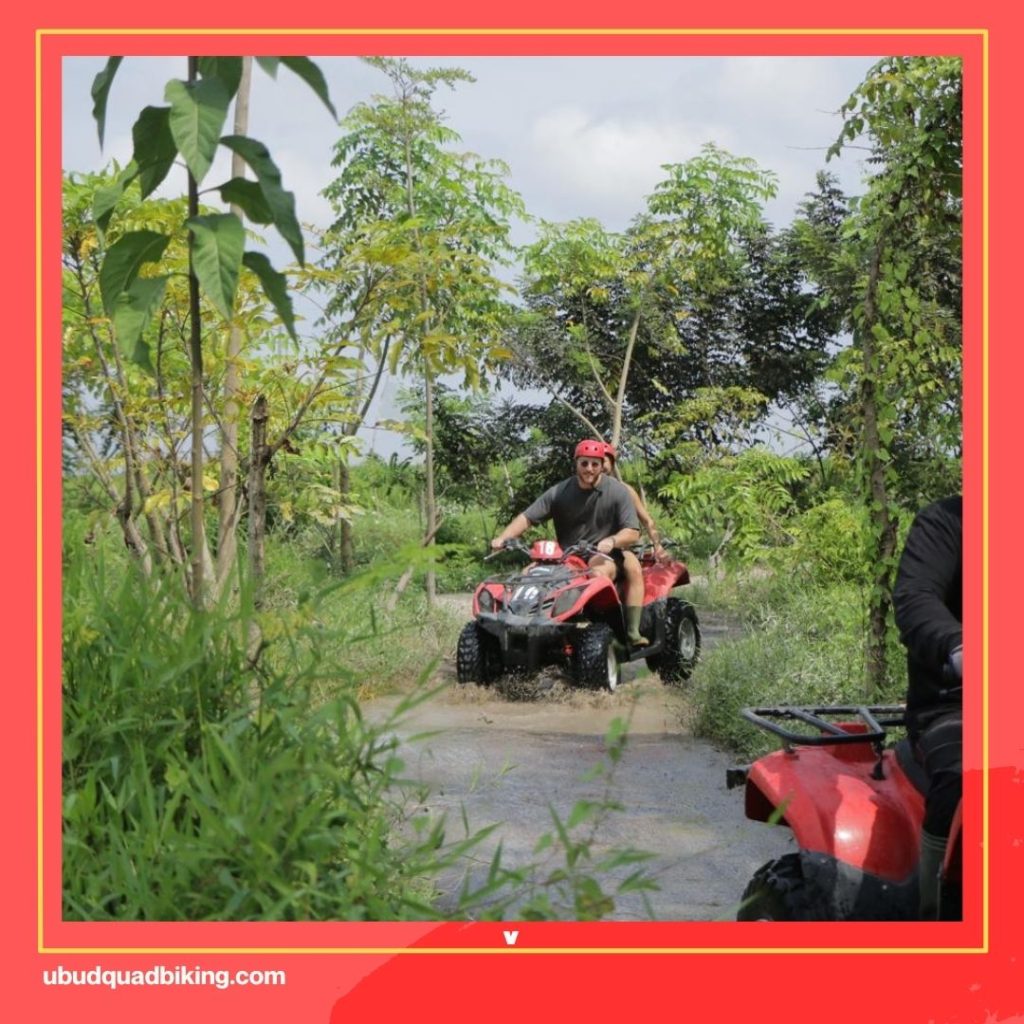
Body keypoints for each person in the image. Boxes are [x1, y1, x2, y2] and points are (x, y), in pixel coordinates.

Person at [491, 439, 646, 645]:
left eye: (594, 464)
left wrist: (612, 540)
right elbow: (527, 517)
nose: (589, 469)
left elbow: (632, 532)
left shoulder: (617, 491)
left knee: (596, 574)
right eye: (584, 463)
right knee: (528, 576)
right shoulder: (560, 491)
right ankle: (521, 630)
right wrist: (504, 537)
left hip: (603, 555)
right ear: (576, 463)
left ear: (602, 465)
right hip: (565, 557)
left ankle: (626, 630)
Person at [891, 494, 962, 920]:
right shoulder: (947, 523)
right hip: (960, 704)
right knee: (965, 781)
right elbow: (917, 597)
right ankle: (935, 923)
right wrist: (958, 646)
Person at [600, 442, 670, 564]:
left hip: (618, 553)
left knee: (631, 567)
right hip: (587, 552)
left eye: (603, 462)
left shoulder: (624, 490)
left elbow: (648, 521)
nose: (599, 467)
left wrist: (658, 547)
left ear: (611, 463)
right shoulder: (580, 492)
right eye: (595, 462)